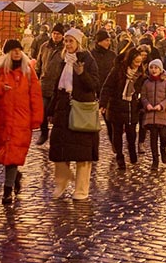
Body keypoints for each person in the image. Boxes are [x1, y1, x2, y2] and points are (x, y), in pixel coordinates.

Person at [0, 39, 43, 205]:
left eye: (19, 49)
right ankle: (15, 176)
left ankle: (6, 192)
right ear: (8, 53)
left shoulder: (28, 71)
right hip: (3, 118)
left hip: (21, 119)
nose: (17, 52)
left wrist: (37, 119)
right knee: (6, 156)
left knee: (13, 156)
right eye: (13, 50)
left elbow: (35, 96)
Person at [48, 29, 100, 200]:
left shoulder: (87, 60)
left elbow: (93, 84)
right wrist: (50, 110)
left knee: (82, 154)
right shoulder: (64, 60)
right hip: (63, 110)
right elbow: (58, 86)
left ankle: (81, 190)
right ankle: (61, 184)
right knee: (60, 151)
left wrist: (81, 74)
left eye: (71, 41)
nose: (68, 44)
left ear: (78, 42)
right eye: (66, 41)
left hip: (81, 111)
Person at [101, 48, 147, 169]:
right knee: (117, 133)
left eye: (139, 62)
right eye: (136, 62)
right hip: (116, 105)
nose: (138, 64)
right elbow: (107, 87)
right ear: (130, 60)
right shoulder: (118, 70)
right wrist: (103, 104)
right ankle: (120, 157)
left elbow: (145, 89)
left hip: (132, 107)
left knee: (131, 133)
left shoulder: (141, 74)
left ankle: (132, 150)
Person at [35, 23, 66, 145]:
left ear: (62, 35)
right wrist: (36, 77)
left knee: (56, 112)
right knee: (42, 110)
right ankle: (44, 132)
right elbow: (39, 64)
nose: (56, 36)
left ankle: (57, 137)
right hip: (44, 83)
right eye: (54, 33)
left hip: (58, 85)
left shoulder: (65, 48)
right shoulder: (45, 46)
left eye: (58, 34)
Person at [141, 59, 166, 169]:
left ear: (160, 69)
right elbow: (143, 96)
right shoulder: (146, 83)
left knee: (164, 136)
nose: (154, 70)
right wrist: (147, 105)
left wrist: (161, 105)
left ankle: (163, 151)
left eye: (156, 68)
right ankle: (155, 160)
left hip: (163, 115)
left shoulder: (165, 82)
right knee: (153, 138)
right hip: (151, 115)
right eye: (151, 67)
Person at [90, 29, 117, 95]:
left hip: (109, 89)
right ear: (99, 42)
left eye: (109, 40)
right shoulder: (91, 55)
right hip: (95, 89)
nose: (109, 43)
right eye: (106, 40)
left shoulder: (112, 55)